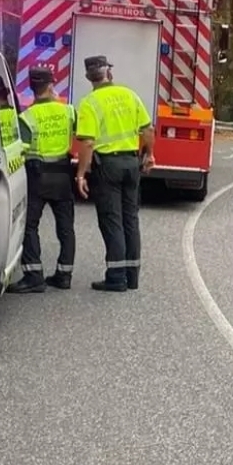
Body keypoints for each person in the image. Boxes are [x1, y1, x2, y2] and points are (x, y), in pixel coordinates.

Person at [74, 55, 154, 292]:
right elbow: (148, 129)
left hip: (108, 166)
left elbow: (88, 143)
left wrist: (80, 174)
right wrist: (148, 155)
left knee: (111, 220)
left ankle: (116, 277)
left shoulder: (89, 103)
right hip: (131, 163)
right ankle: (132, 276)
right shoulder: (129, 95)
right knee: (130, 218)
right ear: (109, 72)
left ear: (89, 77)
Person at [7, 66, 78, 294]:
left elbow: (20, 150)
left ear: (31, 87)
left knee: (30, 226)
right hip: (63, 175)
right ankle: (64, 274)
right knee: (66, 227)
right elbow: (83, 135)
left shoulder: (26, 117)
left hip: (37, 177)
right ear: (51, 85)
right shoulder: (68, 111)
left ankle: (34, 275)